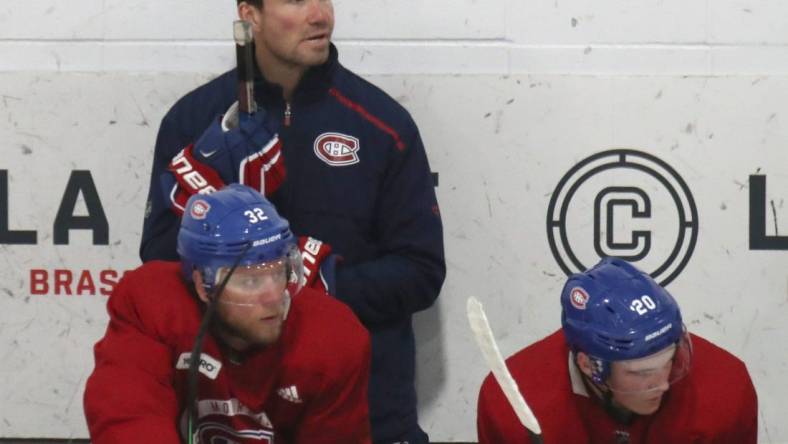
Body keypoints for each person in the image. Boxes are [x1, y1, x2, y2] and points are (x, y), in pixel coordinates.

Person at [139, 1, 445, 442]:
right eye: (298, 0)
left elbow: (422, 271)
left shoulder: (383, 125)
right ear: (251, 13)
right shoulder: (192, 121)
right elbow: (159, 264)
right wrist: (212, 202)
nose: (321, 15)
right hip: (227, 415)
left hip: (362, 415)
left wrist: (310, 285)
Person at [85, 184, 371, 443]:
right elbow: (128, 414)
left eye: (278, 271)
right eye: (249, 280)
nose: (273, 296)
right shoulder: (152, 304)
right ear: (203, 285)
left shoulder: (333, 339)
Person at [476, 257, 758, 444]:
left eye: (670, 361)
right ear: (589, 365)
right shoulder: (511, 404)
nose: (662, 383)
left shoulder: (726, 390)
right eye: (642, 372)